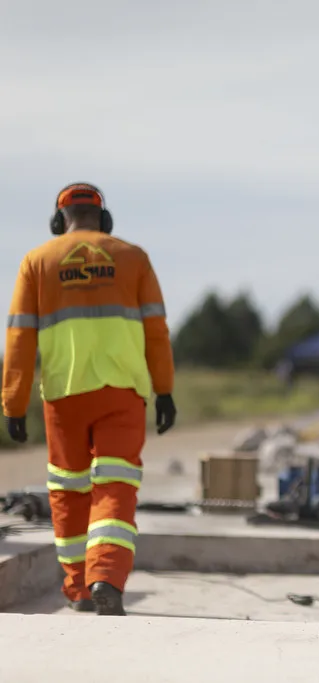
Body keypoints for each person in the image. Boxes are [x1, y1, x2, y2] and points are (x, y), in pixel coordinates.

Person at [2, 183, 176, 616]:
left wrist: (13, 402)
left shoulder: (37, 262)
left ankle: (79, 588)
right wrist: (165, 390)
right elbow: (157, 331)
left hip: (64, 396)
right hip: (122, 391)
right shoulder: (133, 258)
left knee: (69, 490)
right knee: (115, 485)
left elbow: (20, 338)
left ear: (59, 220)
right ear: (105, 218)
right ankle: (107, 578)